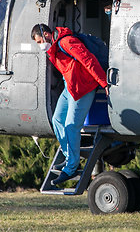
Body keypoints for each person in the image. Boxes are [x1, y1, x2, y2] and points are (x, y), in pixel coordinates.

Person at [31, 24, 109, 185]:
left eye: (39, 41)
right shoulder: (53, 46)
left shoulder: (67, 42)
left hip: (82, 88)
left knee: (71, 126)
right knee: (58, 120)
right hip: (70, 87)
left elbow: (88, 60)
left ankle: (71, 168)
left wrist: (104, 83)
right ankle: (69, 158)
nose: (40, 46)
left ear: (46, 34)